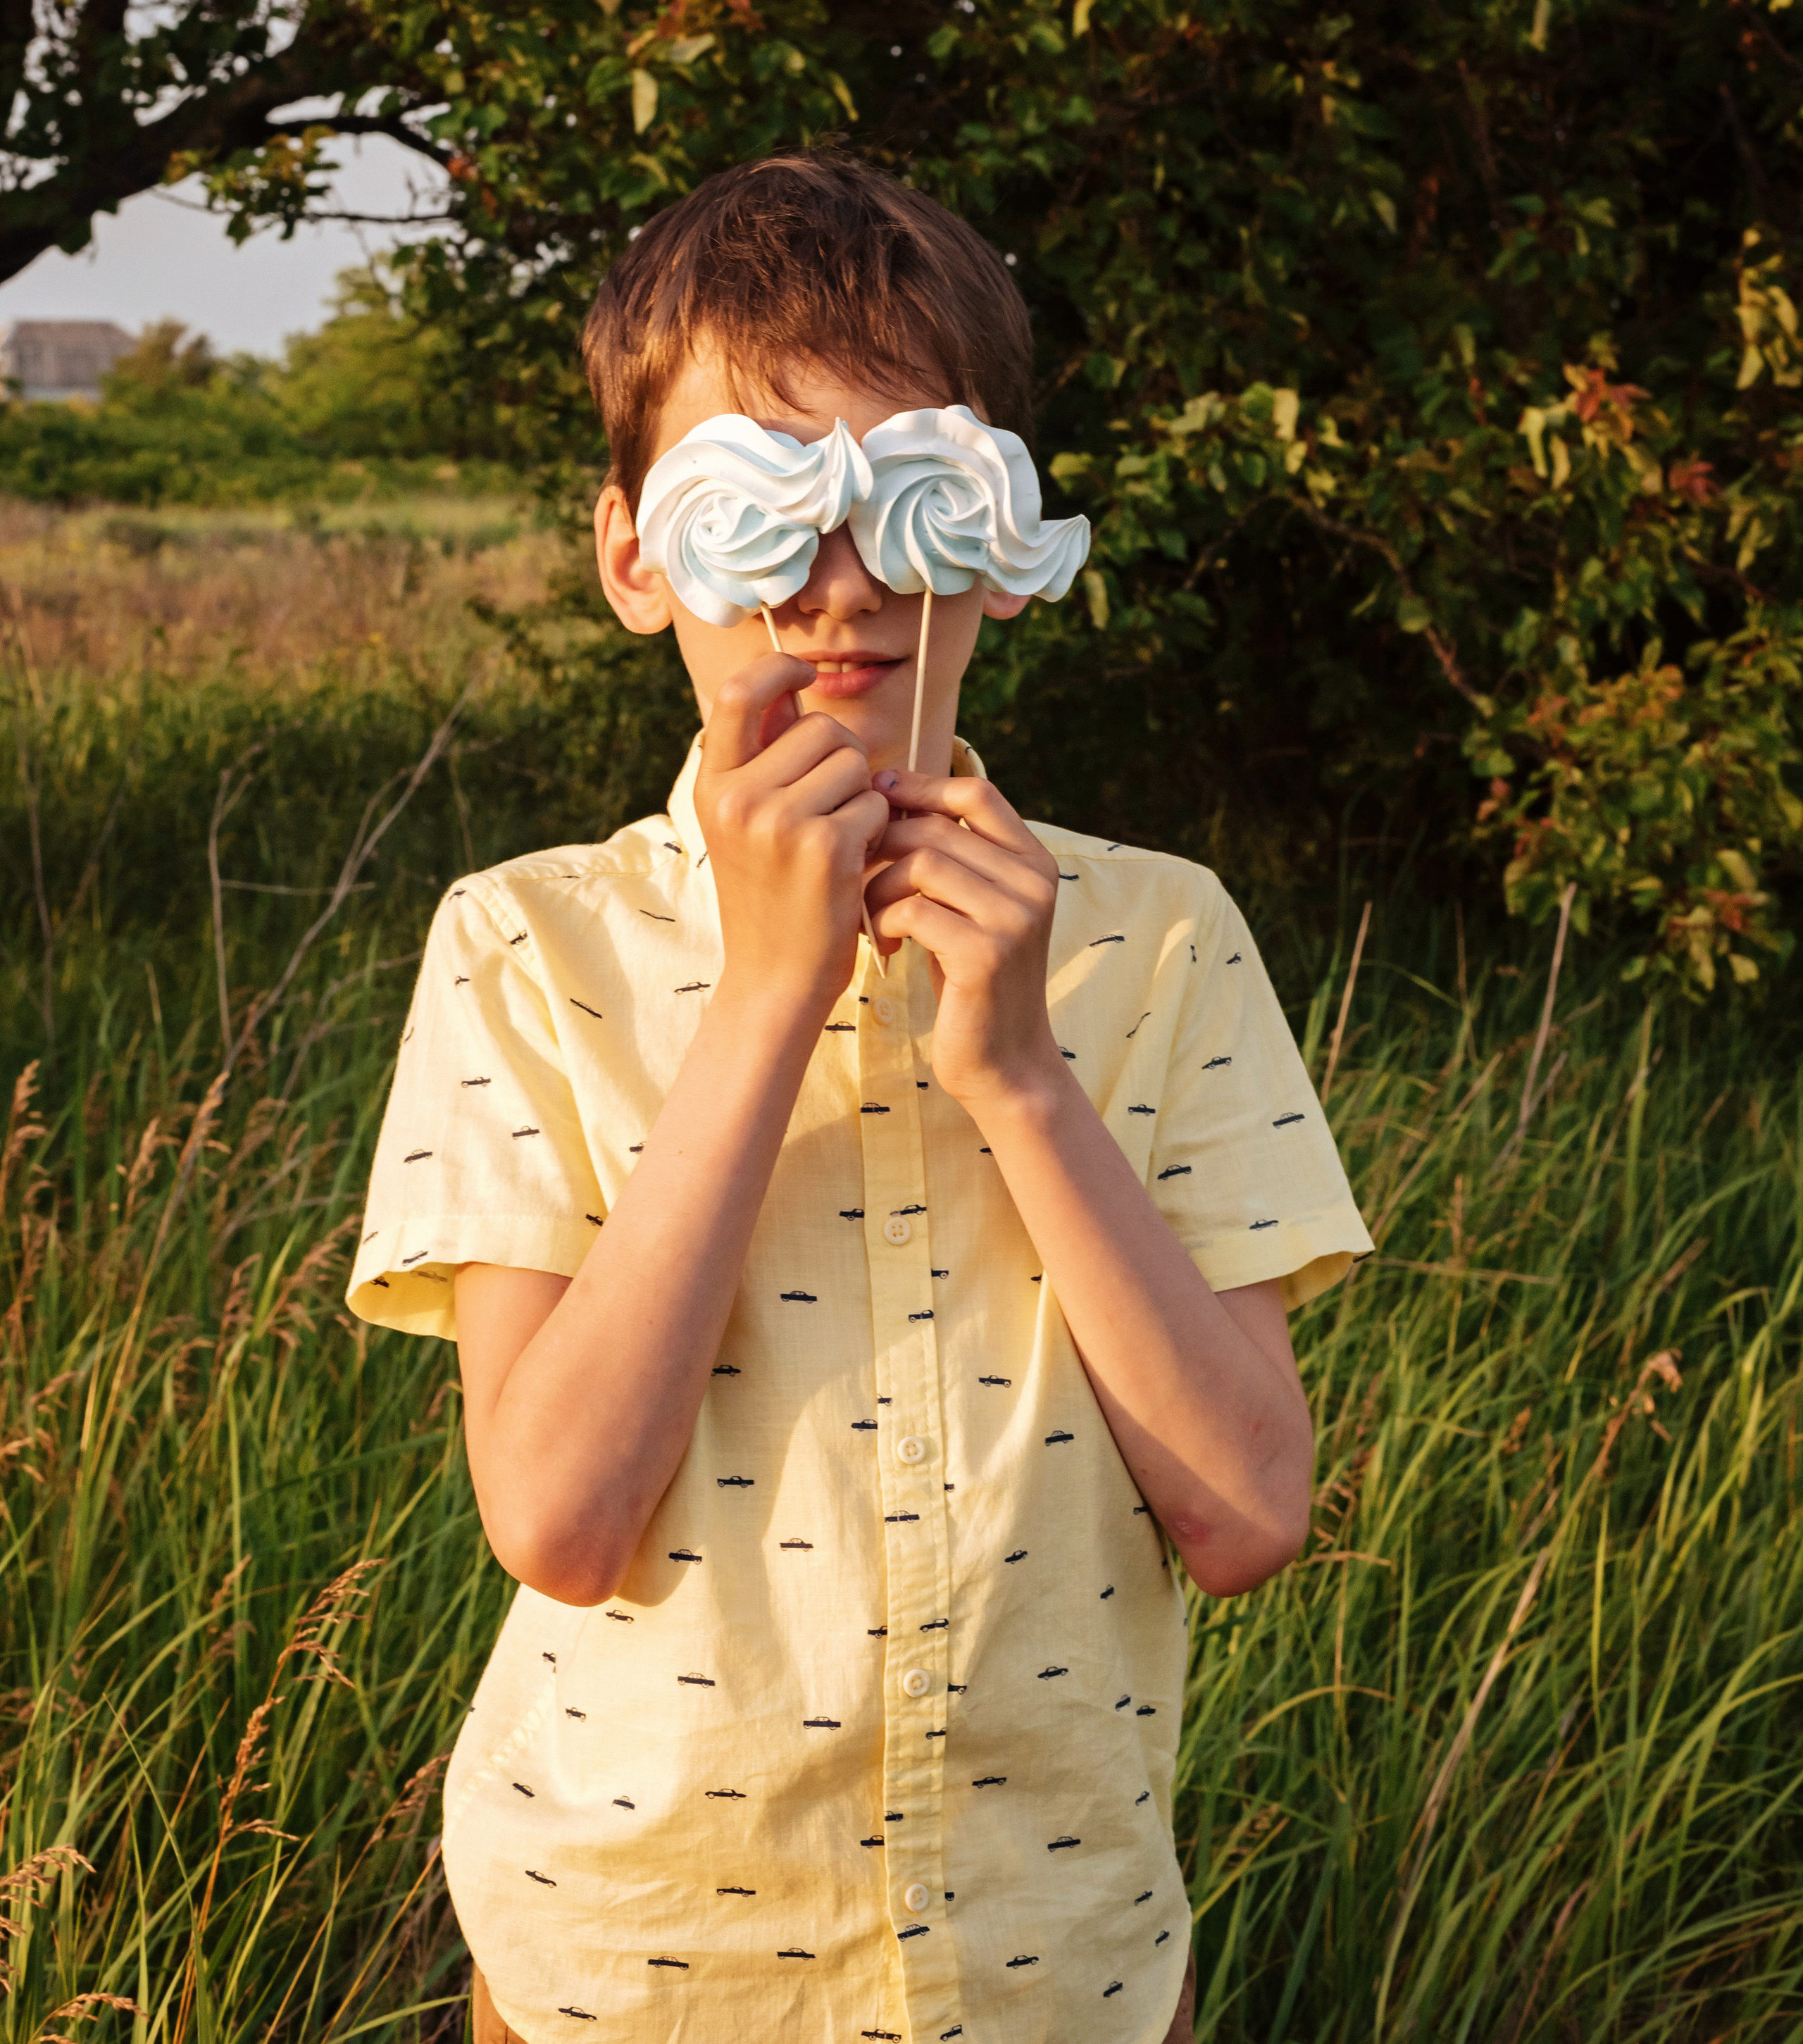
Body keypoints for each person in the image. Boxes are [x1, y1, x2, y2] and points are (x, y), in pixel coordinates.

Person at [346, 151, 1373, 2044]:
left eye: (914, 499)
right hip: (626, 1977)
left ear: (1002, 532)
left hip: (1056, 1971)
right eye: (757, 509)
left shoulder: (1161, 942)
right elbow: (559, 1518)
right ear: (636, 555)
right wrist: (764, 997)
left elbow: (1245, 1517)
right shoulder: (525, 946)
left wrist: (1022, 1073)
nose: (840, 588)